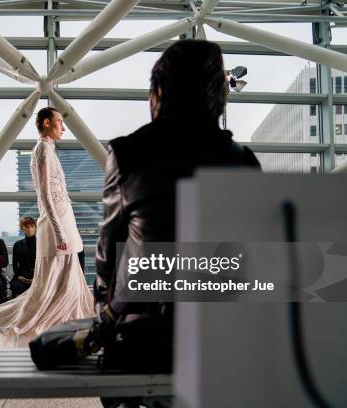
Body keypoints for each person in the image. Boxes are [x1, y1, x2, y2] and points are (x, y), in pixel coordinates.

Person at [91, 40, 261, 408]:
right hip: (222, 342)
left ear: (159, 93)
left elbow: (106, 257)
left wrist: (107, 312)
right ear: (218, 94)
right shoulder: (243, 162)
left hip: (147, 340)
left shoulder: (127, 154)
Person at [0, 107, 95, 347]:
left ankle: (71, 332)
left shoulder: (46, 150)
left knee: (66, 283)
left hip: (63, 220)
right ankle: (60, 334)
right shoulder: (43, 150)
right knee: (53, 286)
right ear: (46, 122)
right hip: (57, 223)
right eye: (60, 122)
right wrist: (59, 232)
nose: (64, 127)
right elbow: (45, 196)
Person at [10, 217, 37, 297]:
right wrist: (19, 276)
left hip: (37, 274)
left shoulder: (41, 244)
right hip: (21, 274)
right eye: (26, 226)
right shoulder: (17, 244)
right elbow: (15, 264)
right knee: (16, 286)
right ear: (22, 229)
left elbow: (45, 265)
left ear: (35, 228)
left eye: (32, 226)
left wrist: (36, 277)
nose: (29, 229)